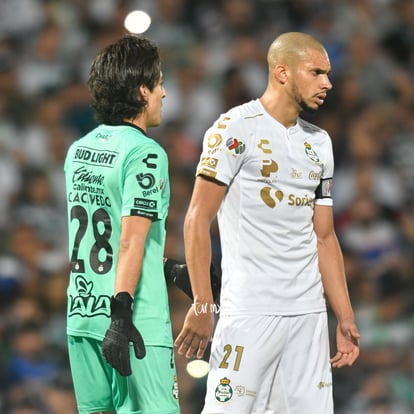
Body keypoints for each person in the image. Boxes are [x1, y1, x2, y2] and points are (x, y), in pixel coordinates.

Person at [175, 32, 361, 413]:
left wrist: (343, 315)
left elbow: (324, 237)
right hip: (250, 310)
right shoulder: (234, 129)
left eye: (327, 74)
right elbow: (196, 219)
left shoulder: (320, 143)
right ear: (282, 72)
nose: (328, 83)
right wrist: (203, 304)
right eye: (316, 72)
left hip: (308, 314)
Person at [64, 35, 180, 414]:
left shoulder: (78, 150)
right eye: (159, 83)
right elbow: (129, 241)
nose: (164, 92)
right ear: (142, 91)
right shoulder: (145, 153)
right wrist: (122, 316)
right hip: (132, 324)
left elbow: (103, 239)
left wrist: (164, 268)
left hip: (82, 318)